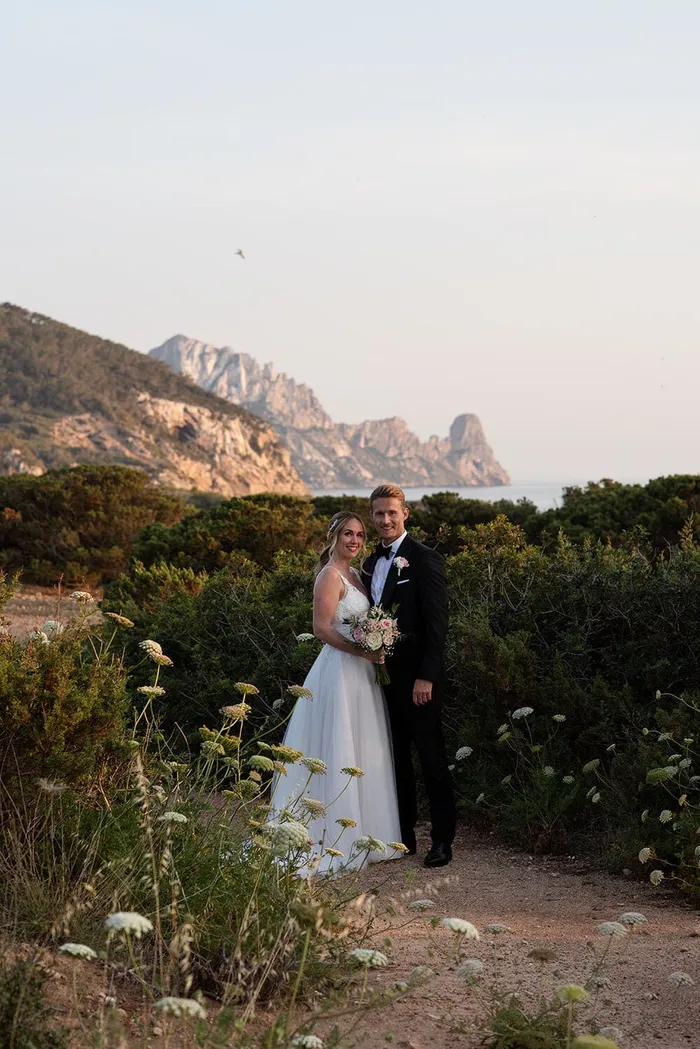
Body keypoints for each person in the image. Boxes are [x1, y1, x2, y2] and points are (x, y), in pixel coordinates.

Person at [271, 511, 402, 875]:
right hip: (340, 670)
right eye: (347, 534)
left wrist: (378, 638)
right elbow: (321, 629)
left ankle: (368, 833)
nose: (355, 541)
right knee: (337, 743)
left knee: (363, 744)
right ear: (334, 537)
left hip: (363, 673)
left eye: (360, 535)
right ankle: (332, 836)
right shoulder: (329, 576)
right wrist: (362, 649)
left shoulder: (357, 577)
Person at [362, 484, 456, 868]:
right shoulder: (369, 562)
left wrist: (427, 677)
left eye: (392, 513)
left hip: (419, 680)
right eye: (379, 514)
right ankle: (403, 836)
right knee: (395, 758)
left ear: (405, 515)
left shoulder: (425, 559)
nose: (385, 520)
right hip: (380, 681)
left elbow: (438, 624)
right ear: (372, 517)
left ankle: (442, 841)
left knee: (431, 758)